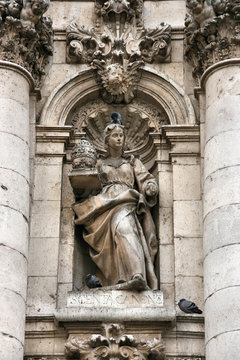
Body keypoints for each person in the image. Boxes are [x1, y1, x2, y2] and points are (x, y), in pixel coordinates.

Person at [73, 114, 159, 290]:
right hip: (104, 204)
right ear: (107, 139)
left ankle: (137, 274)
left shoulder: (132, 161)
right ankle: (116, 278)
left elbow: (145, 178)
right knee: (114, 240)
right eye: (115, 136)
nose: (119, 139)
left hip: (126, 200)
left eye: (121, 136)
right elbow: (88, 185)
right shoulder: (99, 163)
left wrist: (150, 186)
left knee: (126, 230)